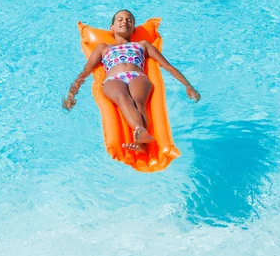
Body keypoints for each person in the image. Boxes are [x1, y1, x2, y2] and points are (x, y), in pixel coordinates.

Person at [63, 10, 201, 153]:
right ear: (112, 28)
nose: (125, 22)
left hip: (137, 76)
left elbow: (167, 66)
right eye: (120, 20)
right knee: (122, 97)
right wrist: (71, 95)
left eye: (129, 20)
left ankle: (141, 141)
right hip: (113, 79)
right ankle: (140, 131)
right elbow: (85, 72)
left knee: (139, 102)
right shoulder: (103, 48)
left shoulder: (143, 45)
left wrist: (188, 86)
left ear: (133, 28)